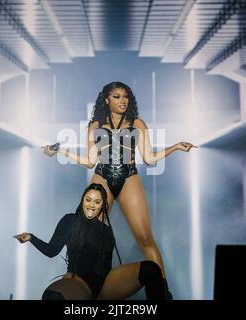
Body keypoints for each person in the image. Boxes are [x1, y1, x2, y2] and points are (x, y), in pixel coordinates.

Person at [42, 81, 197, 297]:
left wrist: (177, 147)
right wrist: (60, 151)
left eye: (125, 97)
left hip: (128, 177)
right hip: (102, 175)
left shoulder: (138, 123)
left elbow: (150, 159)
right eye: (116, 97)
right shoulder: (95, 125)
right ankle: (85, 282)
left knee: (144, 237)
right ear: (106, 99)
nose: (122, 101)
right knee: (88, 232)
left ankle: (163, 291)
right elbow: (89, 161)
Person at [14, 183, 166, 300]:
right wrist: (31, 238)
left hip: (104, 284)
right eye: (88, 200)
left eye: (97, 202)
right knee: (54, 297)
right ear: (82, 201)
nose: (91, 205)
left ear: (103, 205)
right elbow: (51, 251)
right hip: (79, 281)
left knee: (151, 269)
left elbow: (107, 266)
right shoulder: (69, 221)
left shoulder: (106, 231)